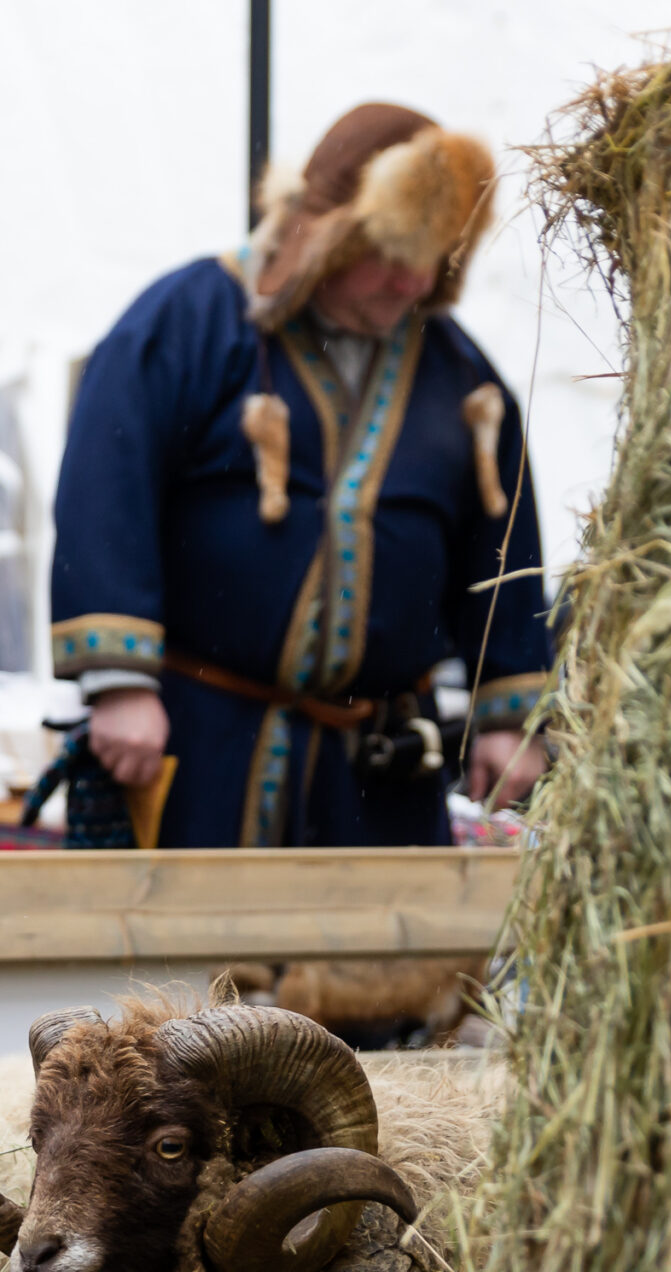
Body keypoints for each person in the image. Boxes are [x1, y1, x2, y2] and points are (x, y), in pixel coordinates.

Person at [50, 104, 556, 852]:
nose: (410, 279)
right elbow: (106, 492)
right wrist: (120, 686)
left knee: (378, 972)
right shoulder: (187, 321)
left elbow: (503, 548)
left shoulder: (464, 380)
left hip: (379, 777)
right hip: (202, 746)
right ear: (326, 234)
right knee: (189, 969)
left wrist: (508, 716)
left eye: (433, 255)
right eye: (389, 250)